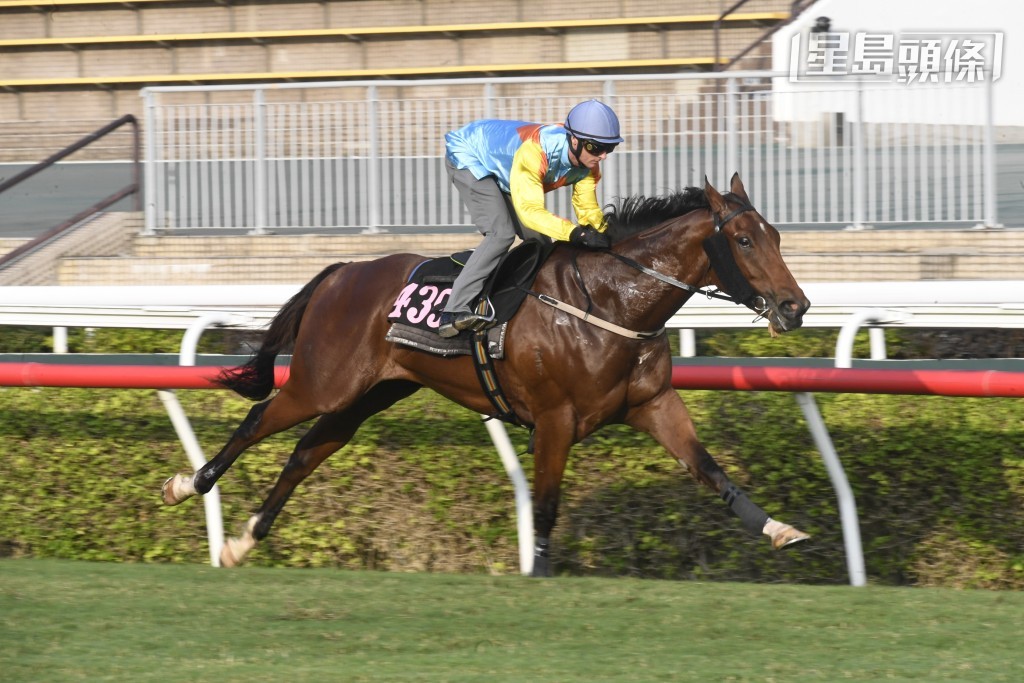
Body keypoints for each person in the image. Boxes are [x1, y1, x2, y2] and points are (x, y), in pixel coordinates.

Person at [437, 99, 623, 338]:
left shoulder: (589, 166)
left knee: (543, 244)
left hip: (507, 171)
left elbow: (587, 210)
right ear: (574, 140)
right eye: (596, 148)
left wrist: (606, 235)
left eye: (609, 148)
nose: (603, 156)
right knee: (501, 234)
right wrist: (575, 233)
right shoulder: (535, 151)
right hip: (471, 155)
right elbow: (529, 211)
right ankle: (453, 311)